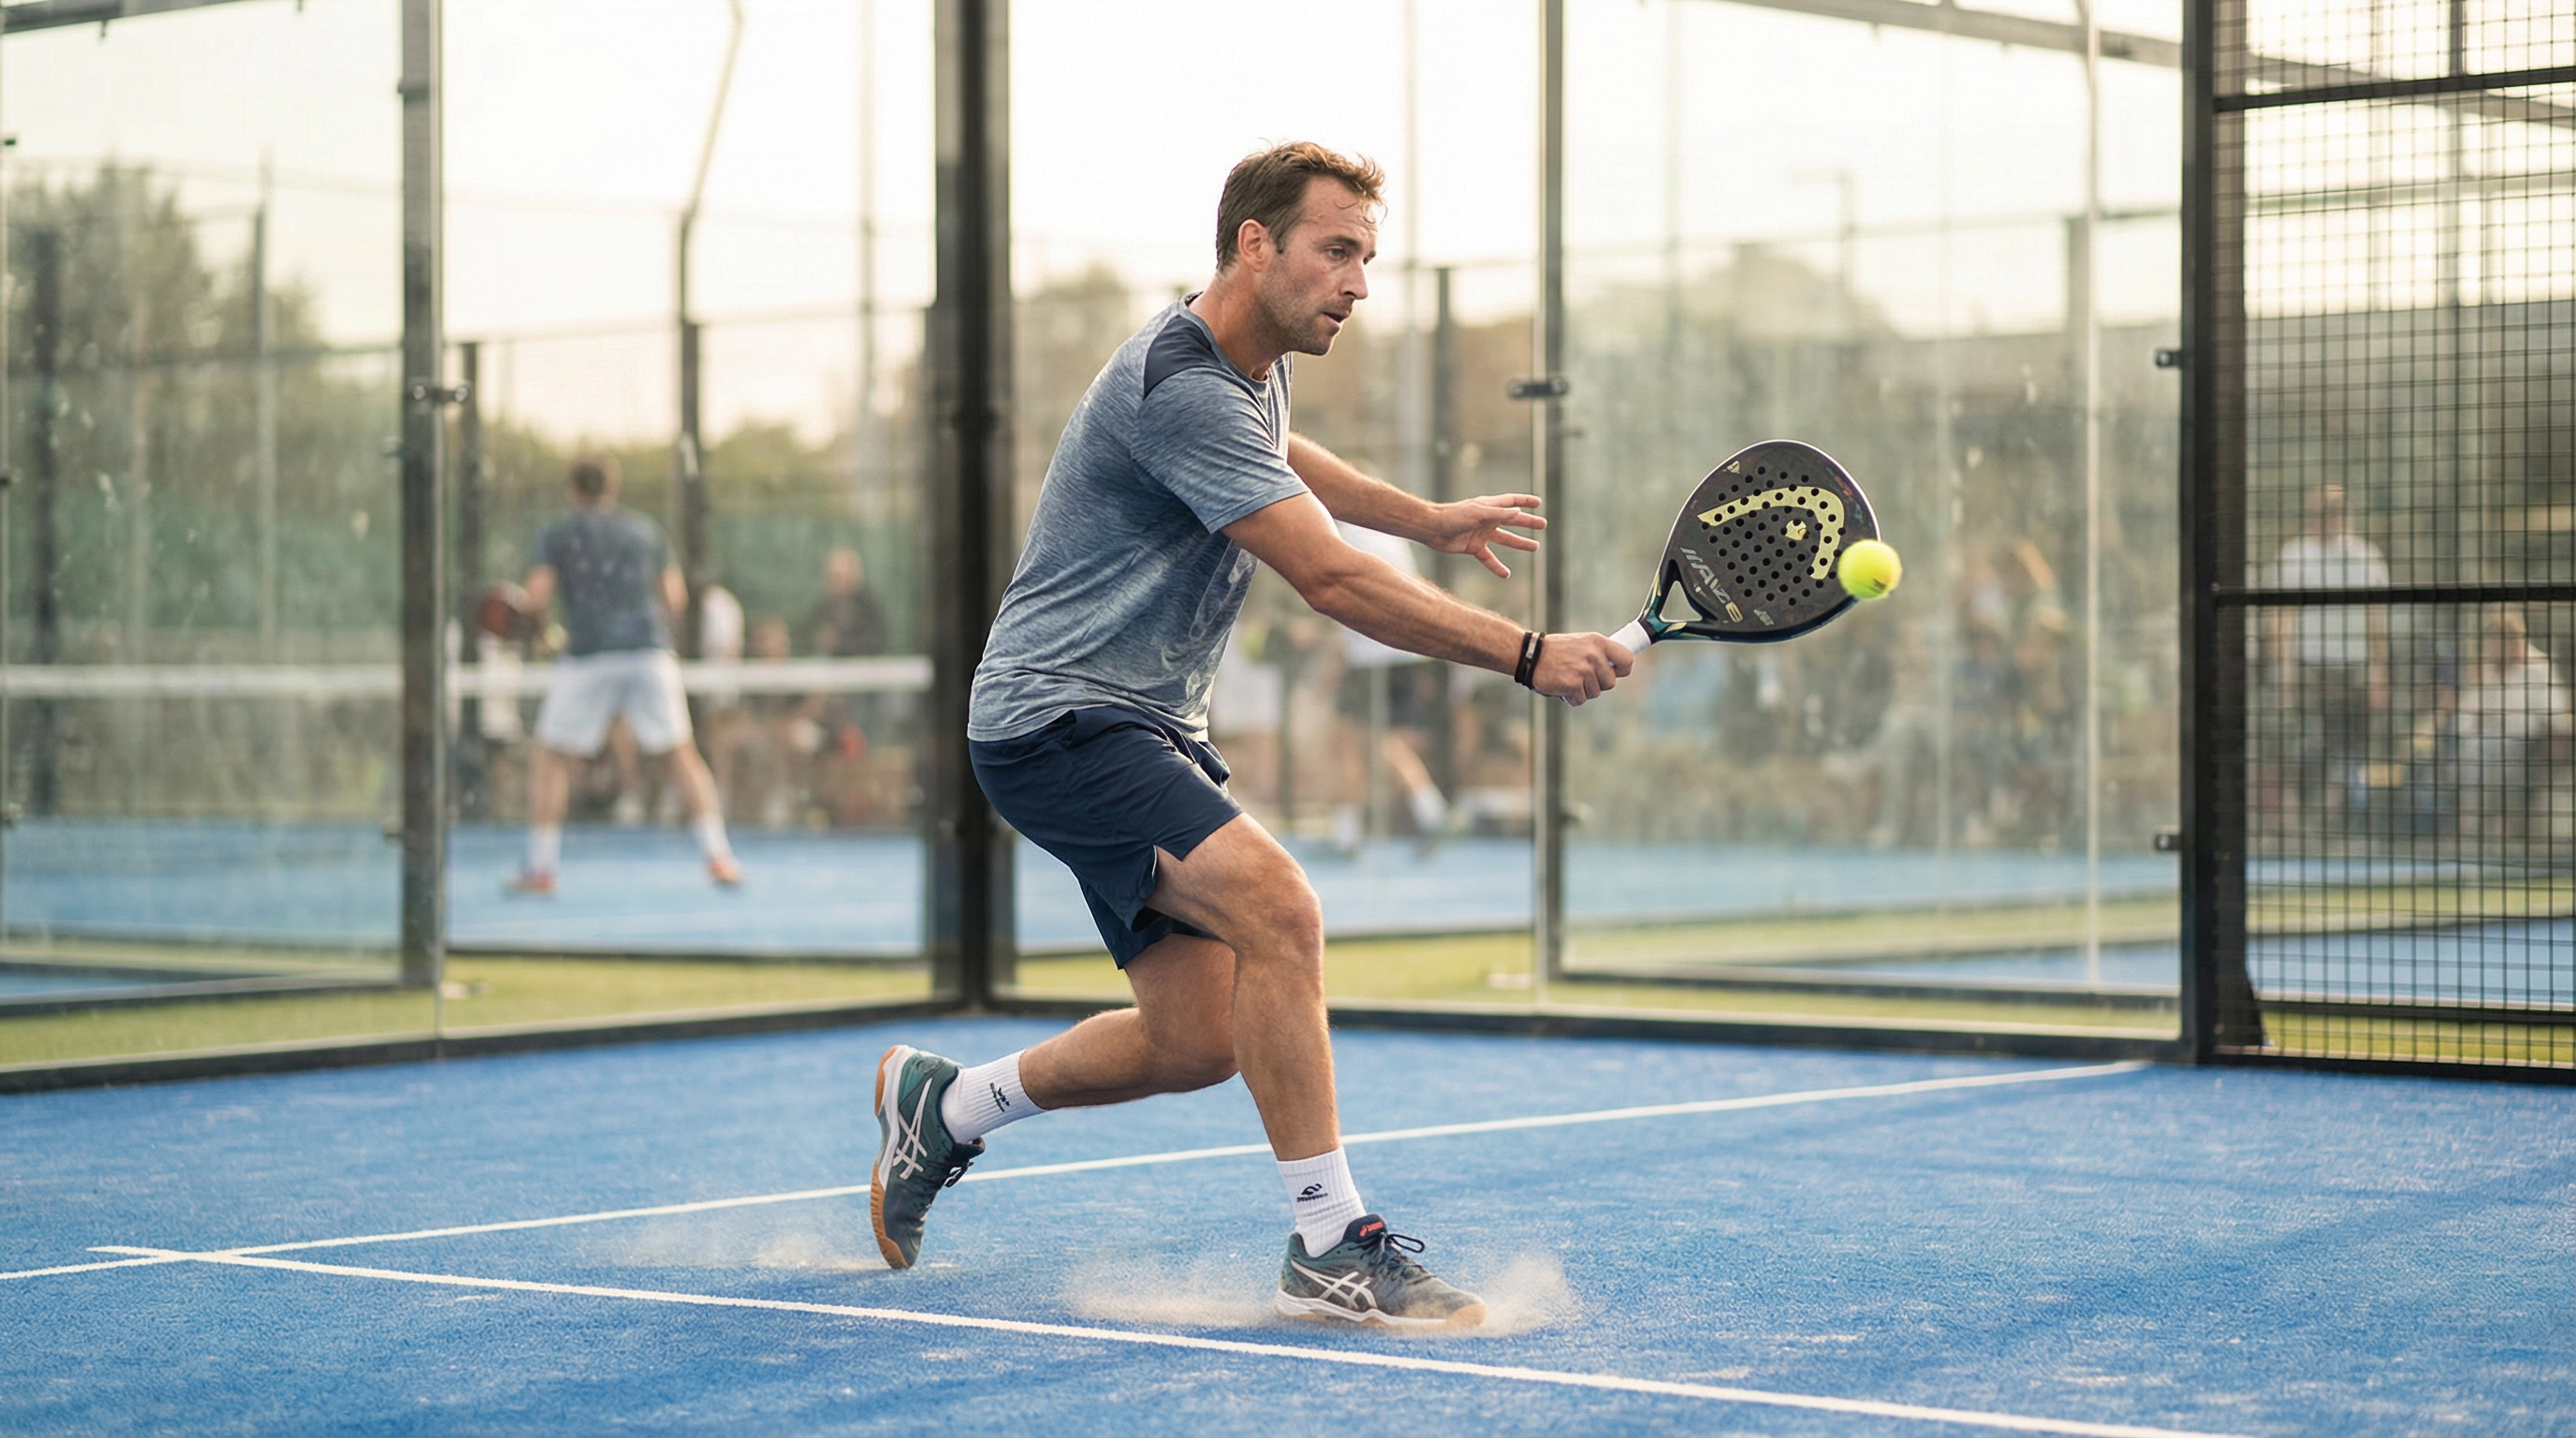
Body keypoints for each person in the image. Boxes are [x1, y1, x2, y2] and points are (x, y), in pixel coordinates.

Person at [867, 142, 1630, 1328]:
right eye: (1338, 252)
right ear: (1254, 244)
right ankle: (1331, 1242)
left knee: (1195, 1041)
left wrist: (1423, 517)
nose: (1359, 285)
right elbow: (1328, 579)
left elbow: (1283, 455)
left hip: (1137, 723)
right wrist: (1527, 654)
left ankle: (951, 1109)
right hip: (1061, 720)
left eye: (1367, 258)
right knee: (1283, 909)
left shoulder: (1237, 362)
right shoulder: (1180, 384)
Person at [505, 454, 742, 894]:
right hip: (649, 655)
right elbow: (674, 599)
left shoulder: (559, 534)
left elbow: (534, 597)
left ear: (573, 489)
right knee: (681, 755)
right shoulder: (645, 531)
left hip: (589, 657)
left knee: (552, 759)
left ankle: (541, 871)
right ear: (612, 487)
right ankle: (719, 857)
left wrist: (544, 635)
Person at [2262, 483, 2391, 828]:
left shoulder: (2366, 556)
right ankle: (2305, 820)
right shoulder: (2292, 557)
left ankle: (2348, 824)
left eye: (2334, 510)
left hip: (2352, 667)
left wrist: (2379, 671)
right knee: (2305, 746)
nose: (2327, 518)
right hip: (2308, 668)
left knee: (2351, 749)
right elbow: (2278, 618)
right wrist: (2282, 670)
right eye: (2320, 511)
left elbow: (2375, 618)